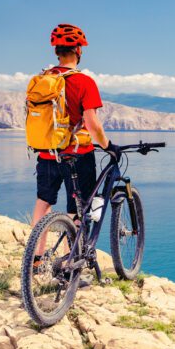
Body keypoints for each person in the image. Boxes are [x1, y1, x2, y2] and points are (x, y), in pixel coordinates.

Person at [30, 23, 116, 236]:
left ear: (56, 51)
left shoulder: (42, 80)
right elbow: (92, 124)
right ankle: (73, 260)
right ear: (79, 50)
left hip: (47, 153)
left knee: (43, 203)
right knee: (77, 210)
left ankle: (35, 260)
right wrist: (108, 146)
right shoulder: (84, 81)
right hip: (77, 156)